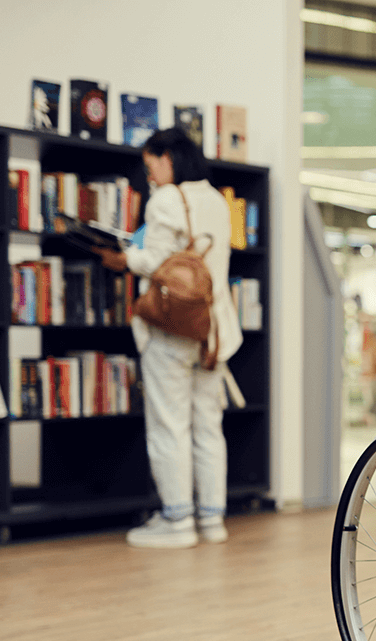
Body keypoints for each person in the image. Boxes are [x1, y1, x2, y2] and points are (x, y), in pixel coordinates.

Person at [93, 127, 243, 548]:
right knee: (208, 426)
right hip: (213, 330)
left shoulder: (165, 199)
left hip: (173, 327)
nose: (150, 176)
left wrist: (122, 258)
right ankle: (212, 520)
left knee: (169, 424)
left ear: (168, 158)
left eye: (151, 165)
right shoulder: (217, 200)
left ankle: (177, 520)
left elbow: (156, 262)